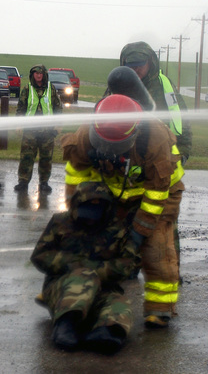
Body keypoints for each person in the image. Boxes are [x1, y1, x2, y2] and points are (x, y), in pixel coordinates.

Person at [61, 93, 184, 329]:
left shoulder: (155, 138)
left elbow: (157, 194)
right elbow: (75, 171)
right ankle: (77, 295)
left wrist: (139, 231)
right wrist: (77, 208)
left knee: (157, 247)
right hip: (117, 190)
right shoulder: (87, 133)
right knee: (98, 242)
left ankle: (160, 309)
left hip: (161, 192)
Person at [31, 182, 141, 354]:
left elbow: (128, 265)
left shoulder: (118, 230)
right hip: (62, 288)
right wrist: (74, 265)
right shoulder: (60, 222)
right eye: (86, 213)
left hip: (103, 289)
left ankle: (106, 333)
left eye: (95, 215)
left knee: (120, 304)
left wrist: (94, 270)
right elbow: (40, 255)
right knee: (84, 275)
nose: (90, 219)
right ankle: (66, 325)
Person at [118, 41, 192, 165]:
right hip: (123, 160)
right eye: (131, 65)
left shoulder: (165, 86)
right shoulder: (118, 85)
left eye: (140, 65)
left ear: (150, 63)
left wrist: (182, 153)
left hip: (159, 159)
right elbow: (101, 121)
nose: (136, 70)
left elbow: (181, 119)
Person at [14, 64, 62, 193]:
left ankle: (44, 183)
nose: (38, 75)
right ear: (32, 75)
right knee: (26, 157)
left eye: (40, 73)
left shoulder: (50, 89)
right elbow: (21, 108)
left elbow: (58, 108)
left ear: (44, 74)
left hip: (47, 130)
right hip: (30, 130)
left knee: (46, 158)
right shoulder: (27, 89)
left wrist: (58, 124)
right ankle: (23, 182)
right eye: (36, 73)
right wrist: (18, 124)